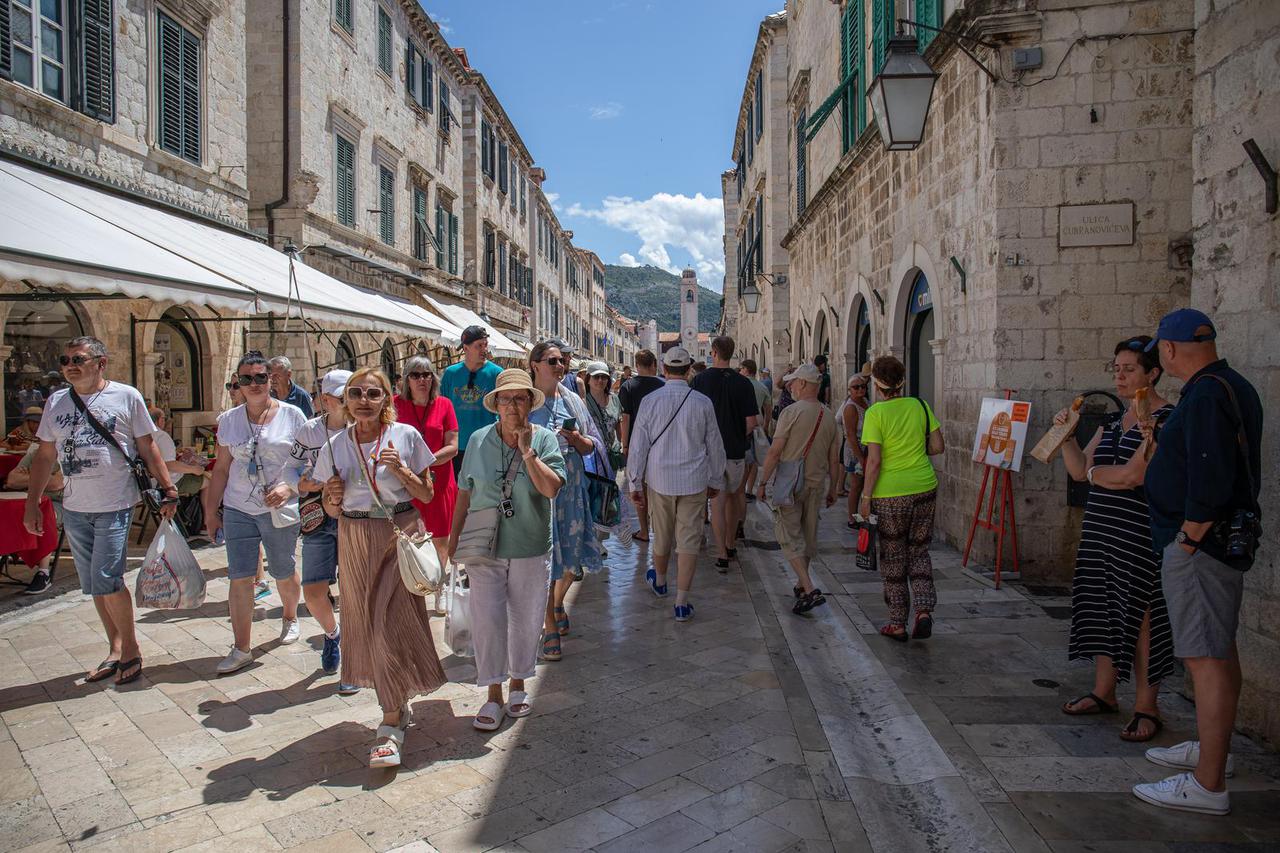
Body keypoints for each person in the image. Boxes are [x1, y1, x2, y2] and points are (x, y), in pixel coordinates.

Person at [1132, 309, 1262, 817]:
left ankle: (1207, 784)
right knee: (1219, 651)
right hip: (1215, 544)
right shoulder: (1230, 385)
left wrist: (1187, 539)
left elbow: (1210, 475)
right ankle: (1216, 752)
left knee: (1205, 662)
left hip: (1200, 547)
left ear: (1168, 350)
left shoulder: (1206, 394)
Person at [24, 336, 178, 685]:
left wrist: (168, 488)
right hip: (76, 505)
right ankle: (115, 647)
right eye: (64, 360)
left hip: (114, 503)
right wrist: (33, 502)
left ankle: (131, 651)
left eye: (78, 358)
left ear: (100, 362)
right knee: (95, 584)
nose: (69, 365)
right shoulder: (56, 402)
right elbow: (46, 456)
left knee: (107, 579)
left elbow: (147, 445)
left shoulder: (125, 396)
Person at [314, 368, 443, 768]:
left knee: (389, 621)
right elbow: (329, 506)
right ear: (345, 400)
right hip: (353, 536)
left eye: (373, 393)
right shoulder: (335, 445)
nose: (364, 400)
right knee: (366, 623)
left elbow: (426, 492)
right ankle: (396, 701)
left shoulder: (404, 437)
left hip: (397, 533)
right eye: (356, 393)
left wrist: (401, 470)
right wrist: (330, 497)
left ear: (387, 398)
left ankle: (390, 720)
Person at [1056, 337, 1174, 742]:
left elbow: (1134, 476)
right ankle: (1104, 692)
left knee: (1142, 617)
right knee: (1103, 607)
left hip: (1139, 532)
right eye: (1116, 369)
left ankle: (1147, 706)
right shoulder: (1113, 422)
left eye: (1129, 369)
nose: (1119, 376)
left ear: (1152, 373)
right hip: (1101, 530)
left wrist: (1095, 476)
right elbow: (1078, 470)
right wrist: (1067, 437)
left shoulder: (1163, 420)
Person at [448, 368, 565, 731]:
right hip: (484, 543)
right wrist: (453, 542)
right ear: (495, 404)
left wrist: (528, 453)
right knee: (488, 620)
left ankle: (518, 683)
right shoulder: (480, 440)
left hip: (529, 543)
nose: (512, 405)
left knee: (526, 618)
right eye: (505, 398)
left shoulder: (545, 439)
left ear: (530, 402)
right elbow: (464, 494)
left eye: (519, 398)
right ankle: (493, 693)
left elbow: (551, 489)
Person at [205, 352, 308, 674]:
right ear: (238, 382)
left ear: (271, 380)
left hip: (278, 508)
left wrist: (288, 487)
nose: (253, 384)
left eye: (260, 377)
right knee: (240, 576)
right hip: (238, 507)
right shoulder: (228, 420)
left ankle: (290, 616)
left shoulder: (293, 417)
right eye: (246, 379)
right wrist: (212, 510)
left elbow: (307, 462)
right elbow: (221, 468)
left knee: (282, 569)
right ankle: (241, 647)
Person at [627, 347, 725, 622]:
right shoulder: (702, 402)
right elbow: (715, 445)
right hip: (694, 480)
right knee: (689, 540)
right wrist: (716, 479)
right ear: (689, 369)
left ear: (664, 369)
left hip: (659, 479)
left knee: (662, 534)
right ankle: (682, 602)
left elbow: (638, 445)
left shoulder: (650, 401)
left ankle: (659, 580)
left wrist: (635, 481)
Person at [528, 341, 606, 660]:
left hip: (572, 486)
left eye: (563, 361)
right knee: (545, 561)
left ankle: (557, 602)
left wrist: (577, 439)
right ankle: (548, 626)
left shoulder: (573, 400)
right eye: (553, 361)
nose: (560, 366)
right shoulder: (526, 401)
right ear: (535, 365)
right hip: (538, 488)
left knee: (572, 563)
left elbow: (592, 445)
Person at [859, 355, 945, 641]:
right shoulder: (920, 405)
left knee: (894, 557)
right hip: (924, 486)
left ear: (877, 385)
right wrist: (914, 455)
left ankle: (897, 622)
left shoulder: (875, 414)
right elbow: (937, 445)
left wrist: (866, 496)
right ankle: (923, 610)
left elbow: (874, 462)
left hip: (890, 493)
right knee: (919, 551)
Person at [756, 364, 840, 614]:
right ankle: (801, 586)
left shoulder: (790, 412)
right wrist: (834, 487)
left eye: (793, 382)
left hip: (790, 485)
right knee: (807, 535)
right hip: (815, 484)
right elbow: (834, 458)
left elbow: (774, 451)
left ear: (803, 384)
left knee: (789, 536)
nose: (790, 386)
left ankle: (809, 587)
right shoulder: (828, 414)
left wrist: (762, 483)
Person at [292, 370, 355, 686]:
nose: (351, 403)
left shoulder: (363, 431)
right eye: (345, 397)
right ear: (328, 400)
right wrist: (302, 483)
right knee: (314, 592)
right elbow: (290, 473)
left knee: (354, 590)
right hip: (316, 515)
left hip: (353, 515)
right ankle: (333, 633)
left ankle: (354, 663)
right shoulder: (309, 432)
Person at [691, 336, 759, 573]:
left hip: (709, 453)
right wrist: (739, 435)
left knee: (716, 503)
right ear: (732, 354)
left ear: (713, 353)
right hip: (736, 450)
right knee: (734, 497)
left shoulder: (699, 381)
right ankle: (730, 544)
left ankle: (720, 552)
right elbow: (752, 421)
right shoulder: (744, 383)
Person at [394, 356, 459, 573]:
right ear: (407, 380)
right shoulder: (395, 405)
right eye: (415, 375)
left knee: (441, 539)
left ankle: (438, 583)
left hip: (439, 481)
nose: (422, 380)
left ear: (433, 378)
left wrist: (425, 461)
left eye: (426, 374)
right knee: (409, 535)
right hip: (406, 480)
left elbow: (452, 446)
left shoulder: (445, 404)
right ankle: (413, 580)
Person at [440, 325, 503, 476]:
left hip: (487, 445)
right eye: (478, 346)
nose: (484, 350)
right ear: (466, 348)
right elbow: (442, 410)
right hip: (456, 446)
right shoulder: (451, 374)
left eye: (485, 345)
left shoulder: (497, 374)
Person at [7, 439, 64, 594]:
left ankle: (43, 572)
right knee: (6, 516)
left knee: (45, 516)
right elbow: (12, 480)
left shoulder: (68, 453)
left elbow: (57, 483)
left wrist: (31, 476)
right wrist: (44, 477)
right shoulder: (35, 453)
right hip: (30, 500)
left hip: (58, 502)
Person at [618, 349, 664, 542]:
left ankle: (644, 530)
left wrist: (625, 444)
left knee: (638, 489)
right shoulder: (664, 385)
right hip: (661, 443)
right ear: (654, 365)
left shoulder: (628, 386)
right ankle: (662, 531)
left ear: (637, 366)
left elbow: (625, 418)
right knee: (660, 489)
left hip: (637, 445)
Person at [839, 375, 870, 522]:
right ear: (849, 390)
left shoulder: (865, 402)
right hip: (855, 449)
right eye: (856, 387)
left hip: (867, 446)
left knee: (865, 484)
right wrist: (861, 458)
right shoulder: (850, 407)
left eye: (863, 386)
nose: (860, 389)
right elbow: (850, 435)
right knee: (856, 485)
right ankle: (852, 518)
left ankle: (864, 515)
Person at [739, 358, 770, 499]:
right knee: (754, 462)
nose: (740, 371)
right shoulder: (762, 386)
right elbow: (768, 408)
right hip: (757, 426)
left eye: (741, 369)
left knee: (743, 460)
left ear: (746, 369)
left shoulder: (740, 385)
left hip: (741, 426)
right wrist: (766, 426)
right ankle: (749, 490)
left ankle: (740, 489)